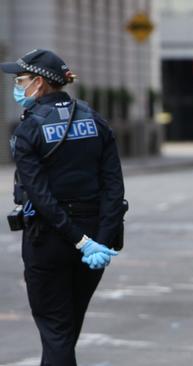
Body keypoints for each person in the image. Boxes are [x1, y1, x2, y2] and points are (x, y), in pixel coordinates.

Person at [1, 49, 125, 365]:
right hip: (94, 238)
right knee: (65, 331)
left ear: (39, 83)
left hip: (51, 240)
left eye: (21, 80)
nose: (17, 86)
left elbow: (40, 197)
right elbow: (113, 187)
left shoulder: (28, 129)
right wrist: (100, 241)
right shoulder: (95, 119)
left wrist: (79, 241)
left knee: (57, 332)